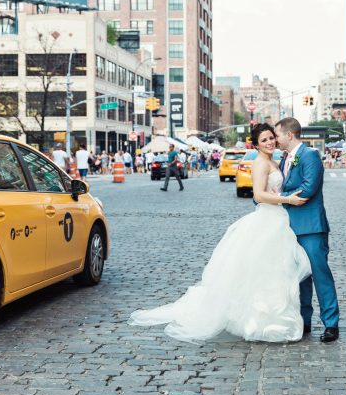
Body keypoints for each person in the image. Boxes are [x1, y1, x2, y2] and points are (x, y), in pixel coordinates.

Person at [129, 123, 311, 342]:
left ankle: (275, 319)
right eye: (264, 140)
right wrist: (287, 199)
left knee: (275, 270)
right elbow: (259, 196)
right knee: (264, 270)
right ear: (255, 144)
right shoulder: (260, 163)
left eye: (271, 138)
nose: (270, 142)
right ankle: (258, 321)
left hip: (278, 219)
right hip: (267, 218)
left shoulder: (274, 160)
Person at [275, 117, 340, 343]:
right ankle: (304, 321)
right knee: (299, 277)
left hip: (310, 226)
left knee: (320, 274)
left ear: (289, 135)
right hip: (289, 227)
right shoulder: (284, 158)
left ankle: (331, 323)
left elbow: (308, 188)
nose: (276, 140)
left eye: (278, 135)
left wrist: (276, 199)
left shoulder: (310, 155)